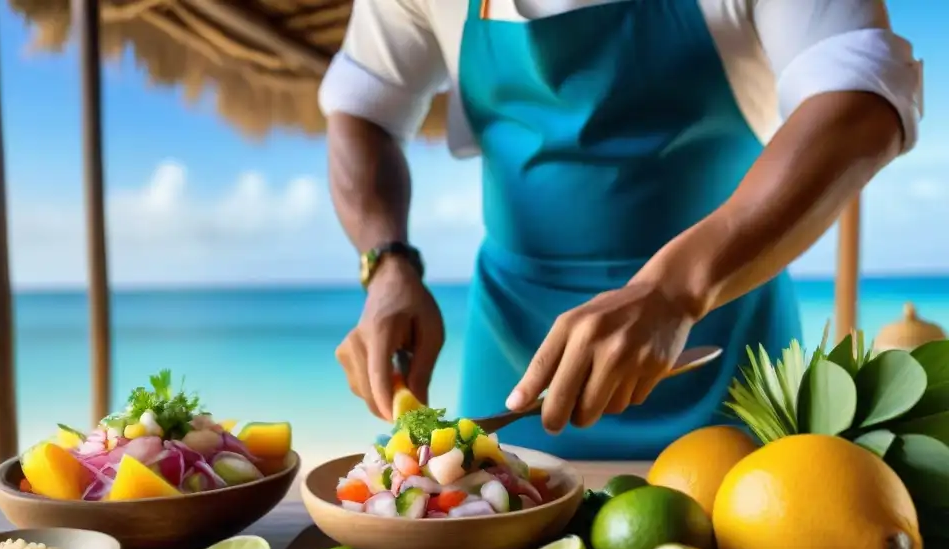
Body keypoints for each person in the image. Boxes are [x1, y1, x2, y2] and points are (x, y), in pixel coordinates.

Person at [320, 0, 922, 460]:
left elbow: (862, 101)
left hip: (722, 343)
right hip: (511, 350)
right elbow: (362, 110)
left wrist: (675, 291)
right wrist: (387, 264)